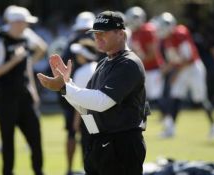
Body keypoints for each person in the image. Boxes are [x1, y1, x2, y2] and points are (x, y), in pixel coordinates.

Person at [37, 11, 148, 175]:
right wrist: (67, 85)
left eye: (103, 33)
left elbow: (102, 102)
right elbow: (87, 105)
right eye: (95, 33)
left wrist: (65, 87)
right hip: (100, 143)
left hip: (121, 145)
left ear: (121, 33)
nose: (97, 37)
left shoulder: (128, 63)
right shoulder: (104, 62)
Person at [0, 5, 47, 175]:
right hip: (6, 98)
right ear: (15, 23)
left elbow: (27, 64)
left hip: (25, 96)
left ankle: (39, 171)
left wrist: (34, 91)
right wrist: (14, 60)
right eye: (24, 23)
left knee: (35, 137)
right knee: (8, 141)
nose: (27, 26)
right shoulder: (0, 40)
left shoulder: (25, 37)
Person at [154, 12, 214, 138]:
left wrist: (174, 74)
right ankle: (170, 129)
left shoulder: (180, 33)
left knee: (200, 99)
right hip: (182, 70)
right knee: (175, 97)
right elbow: (174, 61)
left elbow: (188, 58)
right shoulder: (167, 40)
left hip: (193, 68)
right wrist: (164, 72)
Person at [58, 11, 95, 175]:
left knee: (87, 134)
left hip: (81, 99)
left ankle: (84, 169)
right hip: (85, 99)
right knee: (90, 134)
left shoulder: (73, 43)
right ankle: (82, 169)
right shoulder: (100, 43)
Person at [125, 7, 165, 109]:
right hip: (143, 69)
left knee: (156, 98)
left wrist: (137, 61)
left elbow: (152, 54)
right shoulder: (133, 33)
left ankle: (168, 121)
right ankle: (143, 119)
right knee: (142, 98)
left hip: (153, 68)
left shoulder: (147, 30)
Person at [70, 38, 99, 170]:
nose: (77, 56)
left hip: (87, 117)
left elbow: (79, 100)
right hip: (103, 116)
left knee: (88, 148)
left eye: (79, 54)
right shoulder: (99, 67)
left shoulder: (81, 72)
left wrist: (76, 121)